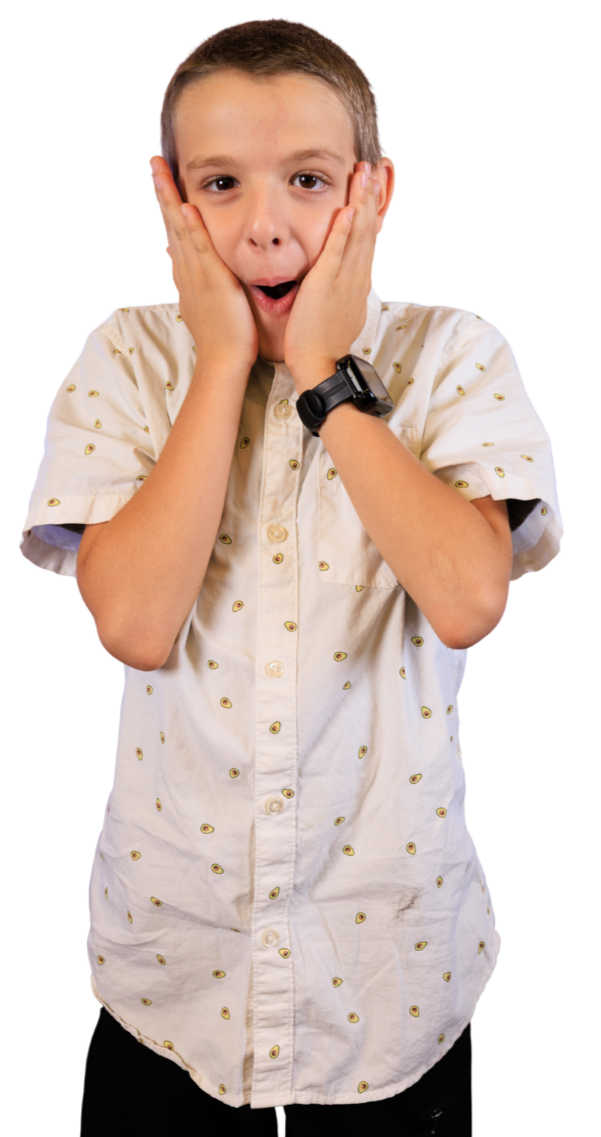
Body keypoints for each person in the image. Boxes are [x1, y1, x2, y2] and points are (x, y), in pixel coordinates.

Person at [18, 18, 563, 1137]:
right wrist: (224, 362)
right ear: (169, 196)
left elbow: (468, 603)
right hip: (173, 989)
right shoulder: (126, 356)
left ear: (372, 192)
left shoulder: (457, 352)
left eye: (308, 180)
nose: (265, 227)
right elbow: (132, 619)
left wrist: (322, 372)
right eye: (220, 184)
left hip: (391, 997)